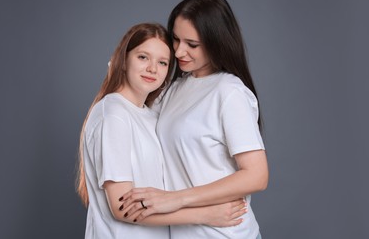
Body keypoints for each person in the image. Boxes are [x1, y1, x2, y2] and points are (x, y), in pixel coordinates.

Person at [76, 23, 247, 239]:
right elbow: (122, 209)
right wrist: (205, 214)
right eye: (143, 57)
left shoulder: (150, 116)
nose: (152, 69)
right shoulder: (113, 114)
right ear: (123, 60)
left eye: (162, 62)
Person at [119, 0, 269, 239]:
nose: (178, 52)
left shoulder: (229, 92)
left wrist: (175, 199)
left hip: (224, 233)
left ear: (216, 41)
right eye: (176, 39)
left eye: (192, 45)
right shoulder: (174, 88)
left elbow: (257, 175)